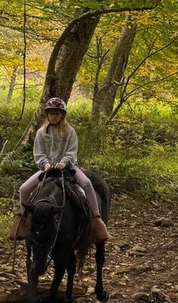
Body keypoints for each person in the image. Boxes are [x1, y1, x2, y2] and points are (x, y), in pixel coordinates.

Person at [16, 98, 109, 244]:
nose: (54, 116)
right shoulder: (41, 133)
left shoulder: (70, 132)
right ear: (47, 115)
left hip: (69, 168)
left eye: (57, 114)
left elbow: (72, 152)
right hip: (47, 170)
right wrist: (45, 164)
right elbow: (39, 153)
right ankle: (24, 220)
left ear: (62, 115)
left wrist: (63, 163)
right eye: (51, 113)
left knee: (86, 184)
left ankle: (96, 219)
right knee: (24, 188)